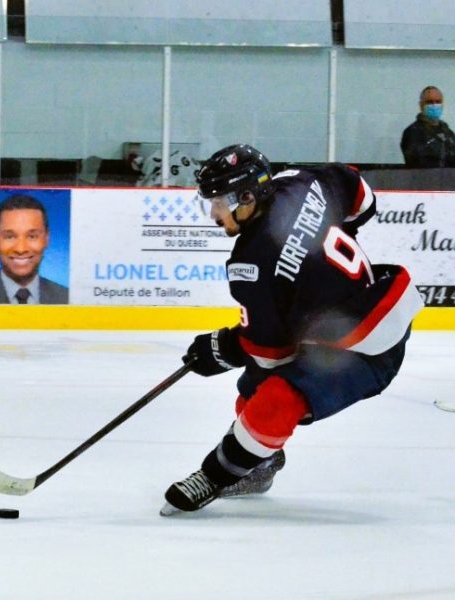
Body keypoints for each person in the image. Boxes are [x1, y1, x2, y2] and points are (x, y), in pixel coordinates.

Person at [161, 144, 422, 516]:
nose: (213, 214)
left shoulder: (252, 263)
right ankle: (261, 463)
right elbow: (357, 191)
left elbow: (272, 356)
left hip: (364, 347)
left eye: (218, 202)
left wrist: (225, 348)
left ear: (247, 196)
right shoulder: (296, 182)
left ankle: (216, 476)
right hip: (371, 302)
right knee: (251, 391)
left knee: (277, 395)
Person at [0, 193, 69, 305]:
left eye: (32, 236)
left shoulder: (66, 298)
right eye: (9, 237)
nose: (21, 249)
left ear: (46, 239)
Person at [400, 85, 455, 168]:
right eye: (429, 102)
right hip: (425, 179)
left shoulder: (448, 133)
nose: (434, 105)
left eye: (438, 101)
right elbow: (417, 162)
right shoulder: (412, 132)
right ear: (421, 105)